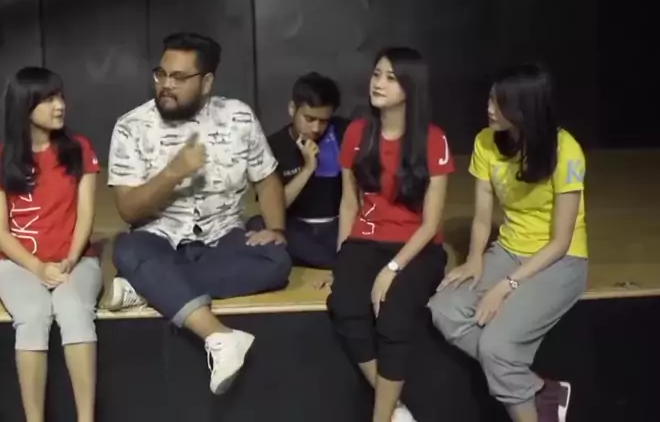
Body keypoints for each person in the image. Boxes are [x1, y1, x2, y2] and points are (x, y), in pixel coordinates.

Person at [107, 32, 292, 394]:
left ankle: (149, 287)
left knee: (277, 260)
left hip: (224, 238)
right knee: (127, 250)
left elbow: (268, 178)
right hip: (159, 241)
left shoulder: (238, 117)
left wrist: (277, 229)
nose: (166, 85)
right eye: (161, 74)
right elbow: (128, 209)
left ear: (206, 82)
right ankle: (219, 337)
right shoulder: (131, 126)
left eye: (179, 78)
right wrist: (174, 172)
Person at [429, 64, 588, 422]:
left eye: (499, 103)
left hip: (561, 260)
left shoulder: (566, 150)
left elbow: (561, 242)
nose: (489, 108)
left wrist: (505, 286)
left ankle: (516, 380)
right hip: (509, 249)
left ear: (525, 108)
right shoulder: (486, 142)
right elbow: (482, 216)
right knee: (444, 310)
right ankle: (538, 388)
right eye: (490, 98)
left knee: (497, 347)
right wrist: (474, 258)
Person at [326, 47, 454, 422]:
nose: (378, 83)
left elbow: (431, 223)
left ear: (411, 87)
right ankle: (395, 409)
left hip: (417, 246)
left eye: (391, 78)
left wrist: (392, 269)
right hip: (365, 239)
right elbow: (348, 204)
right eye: (377, 74)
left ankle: (380, 418)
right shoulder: (357, 132)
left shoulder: (433, 139)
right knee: (345, 306)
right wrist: (341, 261)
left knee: (394, 317)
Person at [0, 67, 102, 422]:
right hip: (20, 265)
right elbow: (0, 232)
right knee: (33, 316)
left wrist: (69, 260)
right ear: (24, 106)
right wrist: (37, 267)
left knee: (74, 310)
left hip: (75, 260)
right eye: (48, 99)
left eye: (59, 96)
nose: (59, 105)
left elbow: (86, 215)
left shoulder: (79, 149)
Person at [246, 72, 349, 269]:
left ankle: (329, 259)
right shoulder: (274, 145)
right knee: (256, 224)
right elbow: (274, 206)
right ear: (292, 109)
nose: (316, 128)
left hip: (335, 226)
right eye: (309, 119)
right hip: (297, 227)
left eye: (323, 121)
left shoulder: (341, 133)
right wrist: (308, 168)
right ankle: (331, 260)